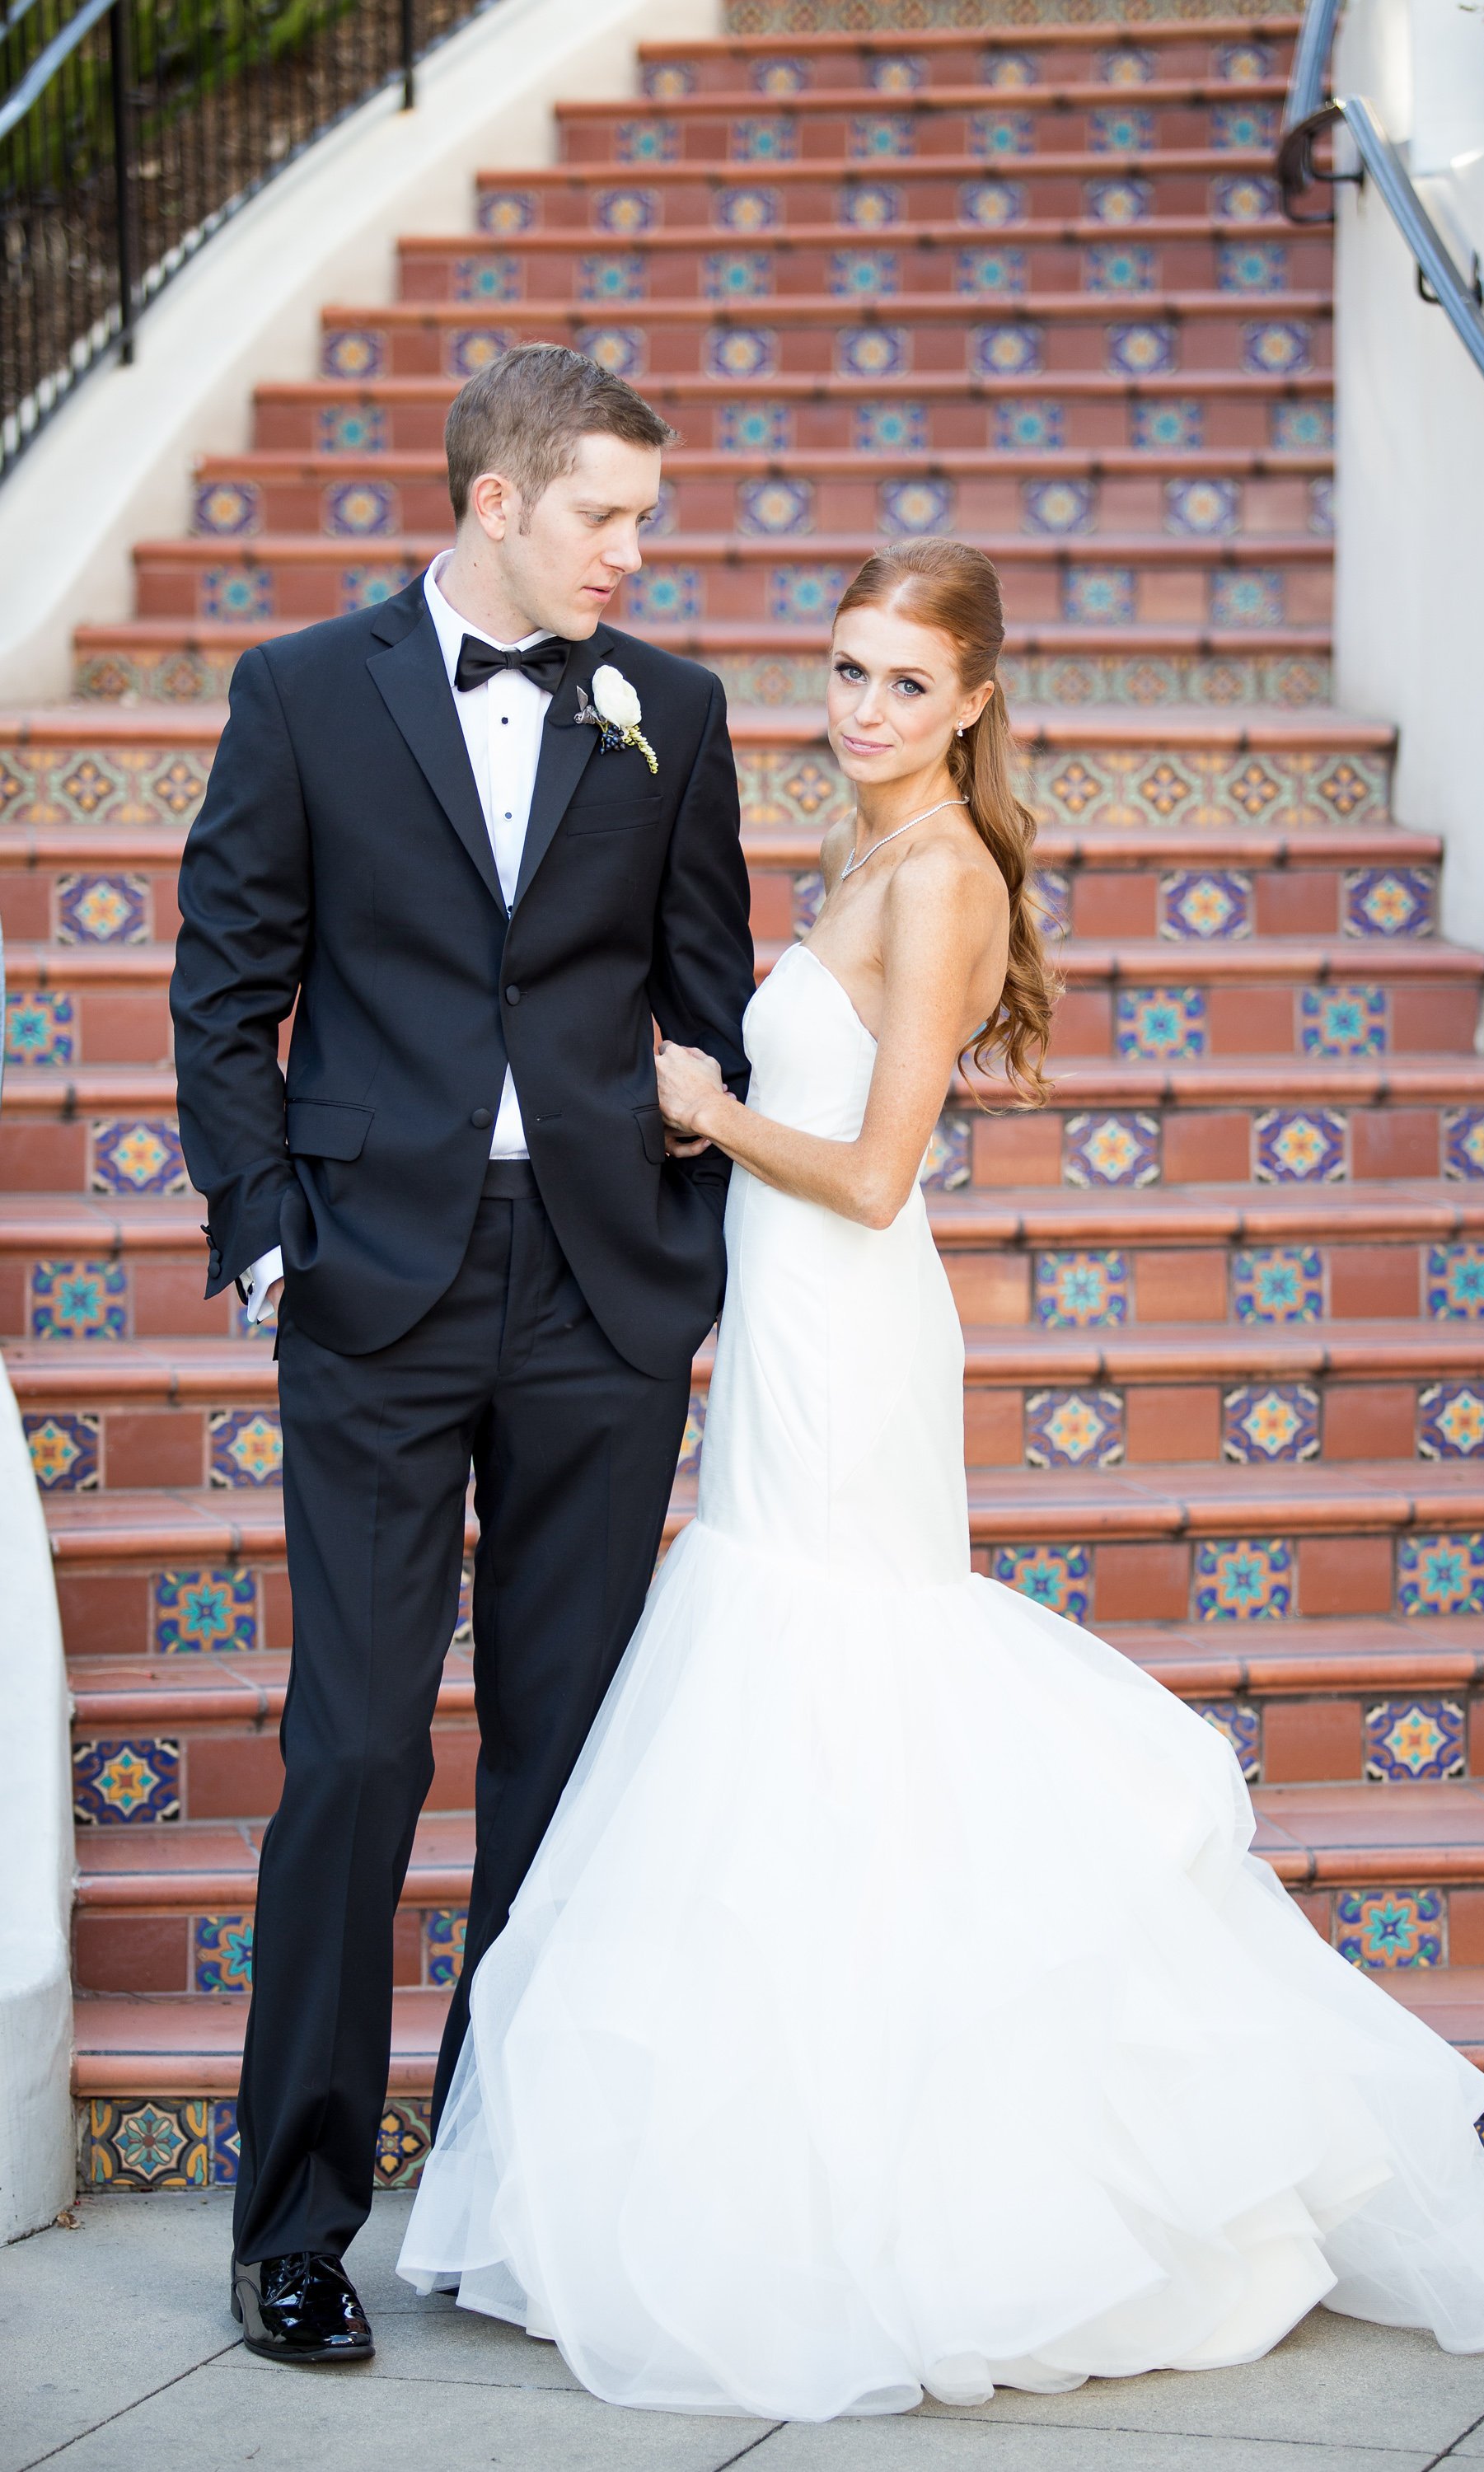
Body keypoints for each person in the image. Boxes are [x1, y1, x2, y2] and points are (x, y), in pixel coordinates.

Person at [397, 539, 1484, 2414]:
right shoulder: (867, 850)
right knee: (794, 1689)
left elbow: (869, 1171)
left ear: (975, 702)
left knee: (840, 1679)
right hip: (785, 1323)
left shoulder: (940, 875)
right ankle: (778, 2165)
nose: (862, 712)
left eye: (905, 686)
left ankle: (913, 2197)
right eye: (845, 673)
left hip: (845, 1323)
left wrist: (699, 1107)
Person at [169, 342, 755, 2365]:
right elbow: (225, 982)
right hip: (374, 1285)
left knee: (564, 1759)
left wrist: (687, 1236)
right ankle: (298, 2222)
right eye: (607, 513)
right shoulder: (302, 694)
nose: (635, 551)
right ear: (495, 503)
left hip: (601, 1294)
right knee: (352, 1748)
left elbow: (703, 998)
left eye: (644, 518)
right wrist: (266, 1243)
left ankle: (507, 2194)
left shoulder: (669, 711)